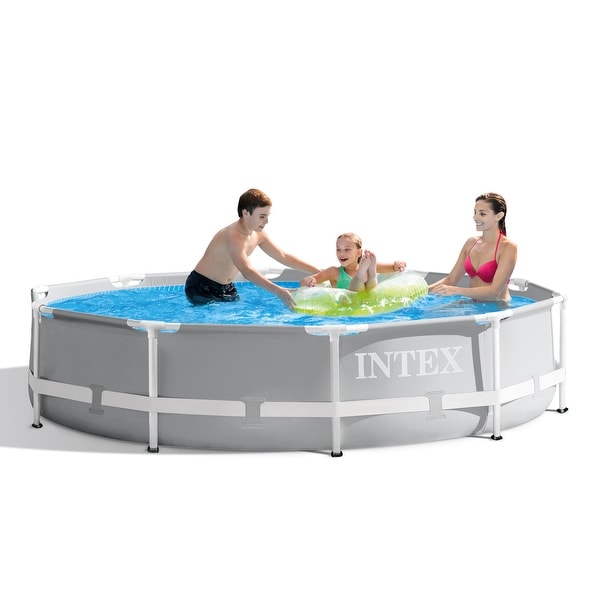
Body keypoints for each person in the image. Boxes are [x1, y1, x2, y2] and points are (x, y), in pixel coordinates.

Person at [185, 188, 320, 309]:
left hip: (227, 288)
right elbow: (247, 271)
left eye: (267, 216)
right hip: (201, 287)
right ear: (245, 213)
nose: (266, 221)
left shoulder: (258, 234)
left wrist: (319, 272)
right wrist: (279, 291)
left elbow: (283, 256)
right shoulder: (232, 236)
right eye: (262, 216)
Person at [428, 192, 517, 302]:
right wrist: (418, 293)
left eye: (482, 214)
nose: (475, 217)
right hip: (474, 305)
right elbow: (451, 280)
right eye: (475, 212)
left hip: (498, 307)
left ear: (498, 216)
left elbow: (494, 292)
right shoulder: (471, 243)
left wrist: (457, 291)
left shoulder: (508, 247)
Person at [300, 232, 406, 292]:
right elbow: (307, 281)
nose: (341, 254)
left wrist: (397, 263)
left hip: (366, 300)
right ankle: (363, 276)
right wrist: (309, 280)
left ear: (359, 252)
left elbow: (393, 267)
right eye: (338, 249)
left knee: (370, 286)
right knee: (357, 288)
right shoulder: (334, 272)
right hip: (349, 302)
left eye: (347, 249)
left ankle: (370, 275)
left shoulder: (367, 264)